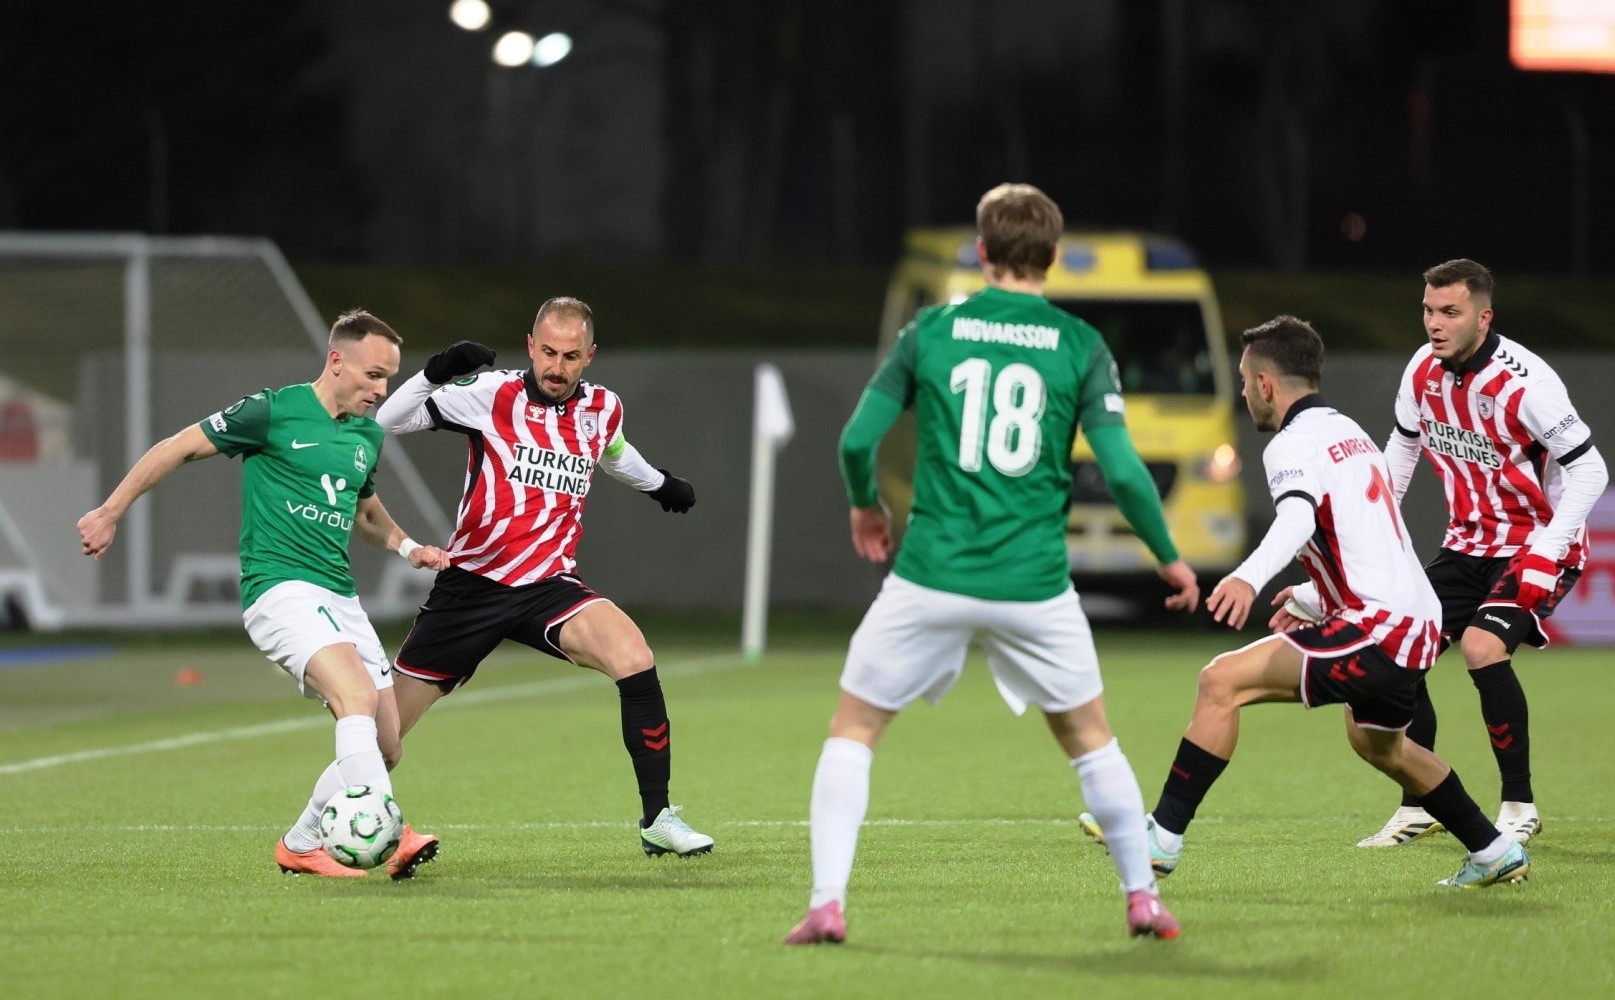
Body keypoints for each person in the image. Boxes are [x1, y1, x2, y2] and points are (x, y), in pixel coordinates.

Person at [783, 182, 1201, 947]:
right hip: (1034, 585)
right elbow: (1127, 473)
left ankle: (827, 904)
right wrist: (1169, 559)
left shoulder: (930, 331)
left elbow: (854, 441)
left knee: (855, 729)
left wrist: (866, 505)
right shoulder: (1080, 344)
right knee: (1090, 739)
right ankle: (1142, 898)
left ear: (983, 252)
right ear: (1050, 256)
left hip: (930, 575)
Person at [1141, 314, 1529, 890]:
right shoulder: (1347, 431)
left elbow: (1298, 518)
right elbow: (1362, 538)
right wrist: (1309, 594)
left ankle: (1161, 839)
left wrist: (1247, 578)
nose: (1245, 391)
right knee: (1381, 745)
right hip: (1416, 621)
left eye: (1246, 380)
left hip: (1381, 625)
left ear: (1267, 385)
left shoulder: (1291, 444)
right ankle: (1494, 850)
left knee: (1221, 681)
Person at [76, 309, 450, 879]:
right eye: (374, 375)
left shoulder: (367, 437)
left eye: (389, 378)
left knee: (387, 743)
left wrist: (407, 548)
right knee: (352, 694)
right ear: (336, 361)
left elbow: (365, 511)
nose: (382, 390)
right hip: (278, 589)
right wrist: (109, 511)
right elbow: (177, 447)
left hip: (340, 597)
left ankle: (301, 843)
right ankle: (388, 831)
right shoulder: (272, 411)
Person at [372, 296, 713, 858]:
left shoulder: (603, 407)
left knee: (633, 654)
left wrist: (658, 484)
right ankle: (319, 830)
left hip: (548, 586)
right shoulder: (490, 394)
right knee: (385, 739)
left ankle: (658, 819)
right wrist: (435, 373)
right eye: (548, 353)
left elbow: (615, 453)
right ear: (531, 346)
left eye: (571, 356)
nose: (556, 367)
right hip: (471, 587)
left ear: (591, 356)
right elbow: (387, 420)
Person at [1355, 259, 1608, 848]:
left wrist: (1549, 549)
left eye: (1450, 312)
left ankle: (1518, 804)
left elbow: (1590, 469)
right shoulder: (1421, 369)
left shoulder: (1526, 385)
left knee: (1480, 645)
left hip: (1537, 543)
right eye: (1428, 310)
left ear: (1483, 316)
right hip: (1466, 542)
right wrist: (1374, 541)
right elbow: (1400, 452)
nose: (1435, 324)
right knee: (1400, 646)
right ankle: (1419, 803)